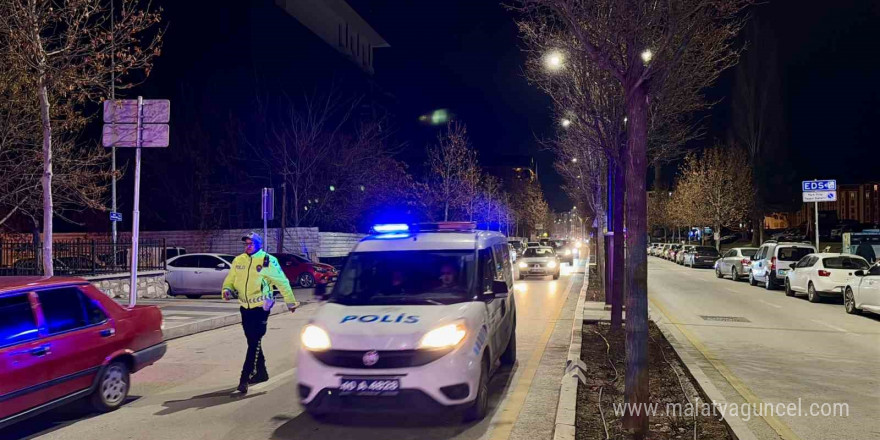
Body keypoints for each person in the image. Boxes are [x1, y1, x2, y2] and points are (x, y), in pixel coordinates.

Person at [222, 232, 298, 394]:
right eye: (246, 244)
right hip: (245, 306)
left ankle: (245, 377)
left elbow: (282, 282)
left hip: (262, 306)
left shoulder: (268, 261)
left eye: (251, 243)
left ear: (258, 245)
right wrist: (227, 289)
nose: (247, 246)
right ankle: (261, 373)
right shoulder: (239, 260)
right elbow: (230, 279)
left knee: (255, 339)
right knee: (252, 340)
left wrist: (290, 301)